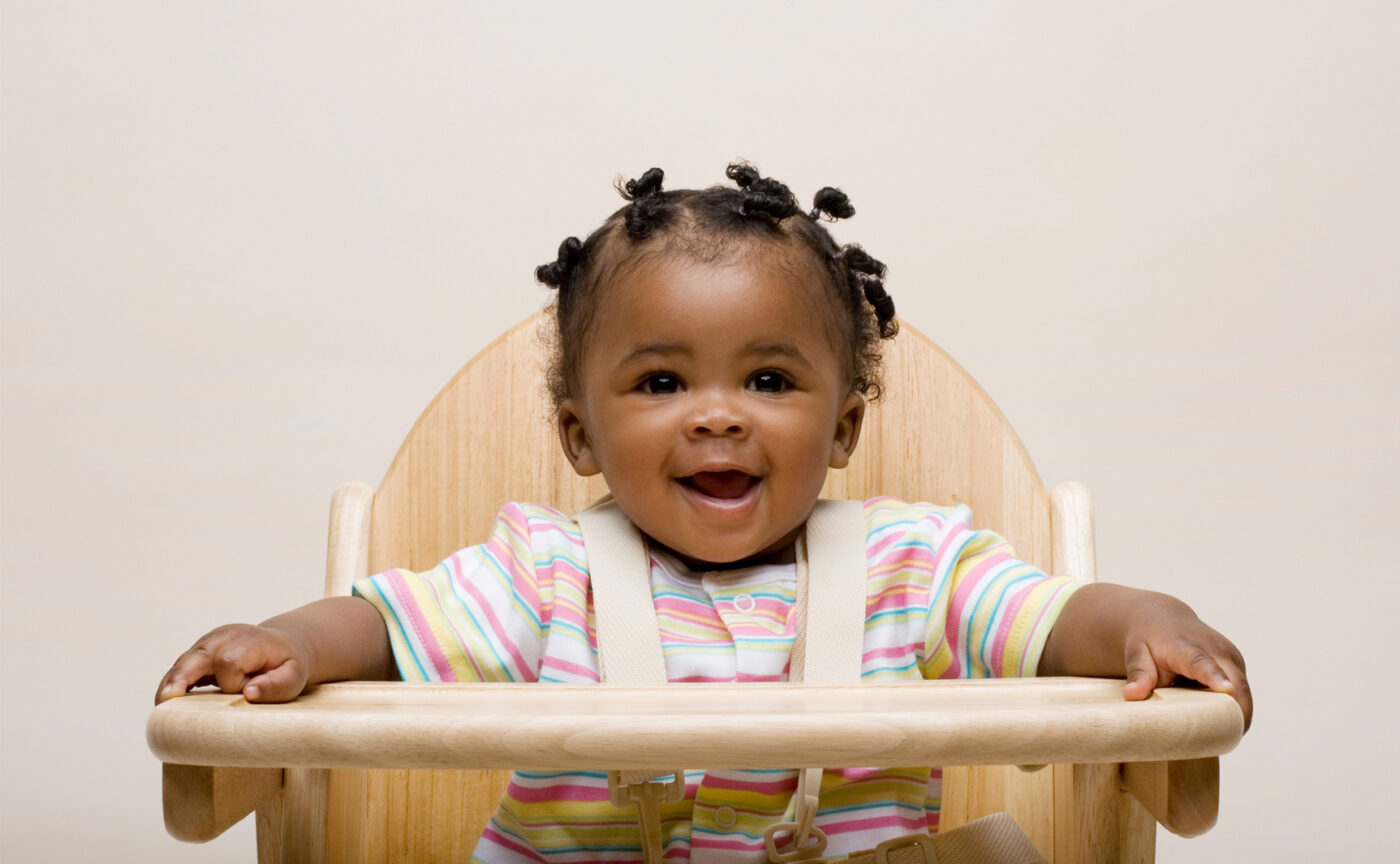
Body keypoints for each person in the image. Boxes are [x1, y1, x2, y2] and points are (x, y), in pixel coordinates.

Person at [155, 163, 1251, 863]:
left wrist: (1144, 619)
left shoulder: (912, 568)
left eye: (769, 383)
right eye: (661, 384)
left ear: (844, 429)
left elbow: (1051, 621)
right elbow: (386, 633)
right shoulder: (542, 574)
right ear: (580, 435)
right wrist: (288, 643)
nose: (717, 419)